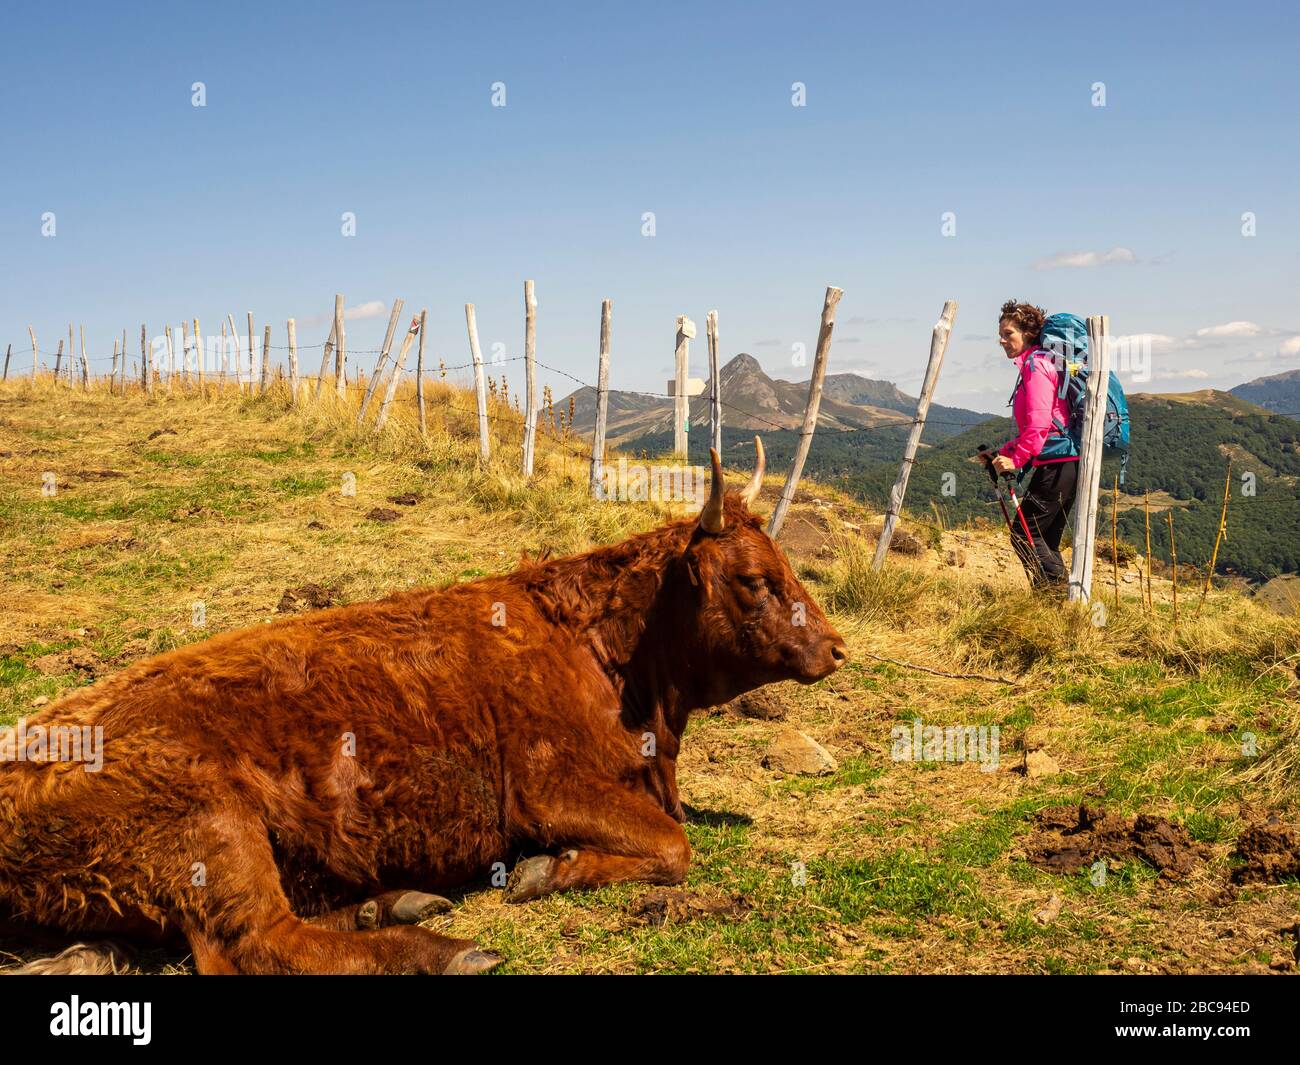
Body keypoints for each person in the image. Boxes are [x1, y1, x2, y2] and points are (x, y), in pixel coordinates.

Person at [985, 299, 1079, 594]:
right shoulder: (1042, 363)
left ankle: (1054, 600)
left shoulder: (1036, 366)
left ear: (1028, 333)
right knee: (1045, 540)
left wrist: (1017, 459)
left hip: (1056, 465)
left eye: (1008, 333)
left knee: (1024, 536)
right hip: (1065, 463)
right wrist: (1005, 452)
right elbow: (1041, 427)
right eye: (1000, 334)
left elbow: (1039, 425)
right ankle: (1059, 606)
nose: (1001, 340)